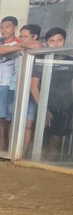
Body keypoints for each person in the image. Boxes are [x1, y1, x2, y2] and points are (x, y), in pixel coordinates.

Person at [31, 27, 73, 161]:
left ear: (64, 41)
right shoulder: (40, 60)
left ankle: (49, 168)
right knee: (39, 138)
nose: (55, 44)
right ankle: (36, 167)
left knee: (56, 139)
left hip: (64, 108)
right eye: (52, 41)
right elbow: (33, 86)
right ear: (47, 43)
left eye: (59, 40)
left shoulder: (70, 61)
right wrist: (44, 109)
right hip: (43, 106)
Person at [0, 16, 20, 152]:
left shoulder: (18, 43)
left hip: (5, 85)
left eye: (7, 26)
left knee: (2, 120)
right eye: (2, 27)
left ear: (15, 28)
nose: (4, 30)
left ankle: (1, 151)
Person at [9, 24, 43, 155]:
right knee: (15, 122)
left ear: (35, 36)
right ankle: (13, 151)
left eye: (24, 36)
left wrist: (17, 45)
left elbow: (37, 46)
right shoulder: (22, 47)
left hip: (33, 90)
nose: (21, 39)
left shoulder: (40, 47)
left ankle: (22, 153)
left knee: (28, 124)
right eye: (20, 36)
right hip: (19, 89)